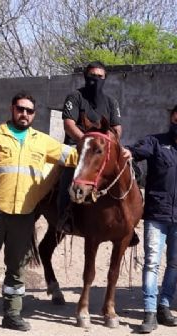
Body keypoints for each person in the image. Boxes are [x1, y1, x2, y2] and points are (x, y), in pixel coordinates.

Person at [0, 92, 79, 334]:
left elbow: (72, 156)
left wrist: (101, 145)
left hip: (24, 215)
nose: (24, 114)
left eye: (29, 111)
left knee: (17, 268)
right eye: (20, 109)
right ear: (12, 109)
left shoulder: (41, 141)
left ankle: (12, 314)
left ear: (34, 114)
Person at [129, 103, 177, 334]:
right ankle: (149, 311)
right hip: (156, 215)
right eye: (176, 121)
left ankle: (165, 306)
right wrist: (126, 150)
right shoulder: (155, 142)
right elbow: (135, 151)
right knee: (152, 261)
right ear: (170, 119)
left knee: (174, 263)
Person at [58, 61, 123, 232]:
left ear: (105, 78)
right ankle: (65, 216)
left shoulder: (111, 102)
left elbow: (117, 128)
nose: (96, 79)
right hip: (77, 146)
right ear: (86, 76)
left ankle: (126, 218)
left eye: (100, 76)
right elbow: (68, 124)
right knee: (69, 170)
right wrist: (87, 142)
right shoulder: (75, 97)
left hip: (102, 148)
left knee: (126, 170)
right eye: (92, 76)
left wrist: (105, 144)